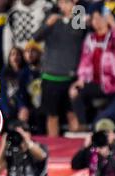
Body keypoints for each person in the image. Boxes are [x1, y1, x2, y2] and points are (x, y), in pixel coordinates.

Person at [33, 0, 86, 136]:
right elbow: (36, 37)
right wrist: (47, 24)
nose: (64, 6)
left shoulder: (79, 15)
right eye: (62, 2)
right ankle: (52, 148)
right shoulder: (51, 17)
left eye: (67, 2)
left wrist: (74, 13)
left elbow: (77, 35)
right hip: (50, 75)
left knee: (72, 114)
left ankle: (75, 148)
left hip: (70, 76)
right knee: (52, 116)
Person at [69, 10, 115, 128]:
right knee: (75, 92)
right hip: (96, 83)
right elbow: (84, 61)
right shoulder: (90, 38)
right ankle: (83, 125)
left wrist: (114, 25)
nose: (96, 22)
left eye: (99, 18)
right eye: (94, 19)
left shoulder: (114, 35)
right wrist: (81, 79)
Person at [2, 0, 51, 65]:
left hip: (44, 61)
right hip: (20, 63)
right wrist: (8, 63)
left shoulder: (47, 8)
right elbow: (8, 41)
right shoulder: (12, 13)